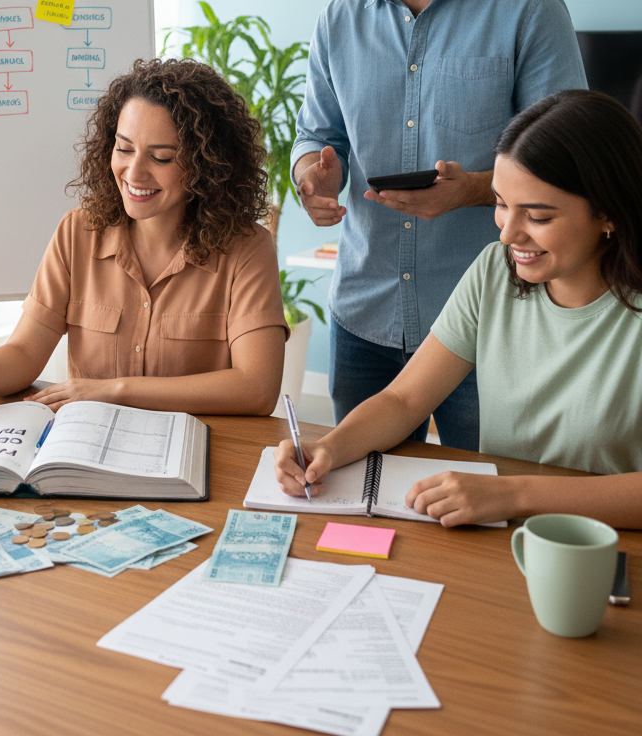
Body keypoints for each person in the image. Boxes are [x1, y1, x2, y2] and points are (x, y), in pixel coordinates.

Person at [292, 0, 587, 451]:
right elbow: (317, 134)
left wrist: (474, 190)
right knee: (357, 500)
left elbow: (569, 170)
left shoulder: (530, 12)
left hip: (493, 326)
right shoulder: (335, 22)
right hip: (363, 317)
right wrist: (311, 172)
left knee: (475, 517)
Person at [275, 89, 642, 529]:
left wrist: (514, 494)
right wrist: (329, 448)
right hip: (500, 537)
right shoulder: (494, 272)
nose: (508, 236)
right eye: (503, 206)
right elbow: (404, 399)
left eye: (538, 217)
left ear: (608, 212)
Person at [0, 57, 289, 414]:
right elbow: (25, 352)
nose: (134, 172)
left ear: (206, 166)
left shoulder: (247, 248)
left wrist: (115, 389)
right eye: (124, 148)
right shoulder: (77, 232)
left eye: (160, 158)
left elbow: (256, 388)